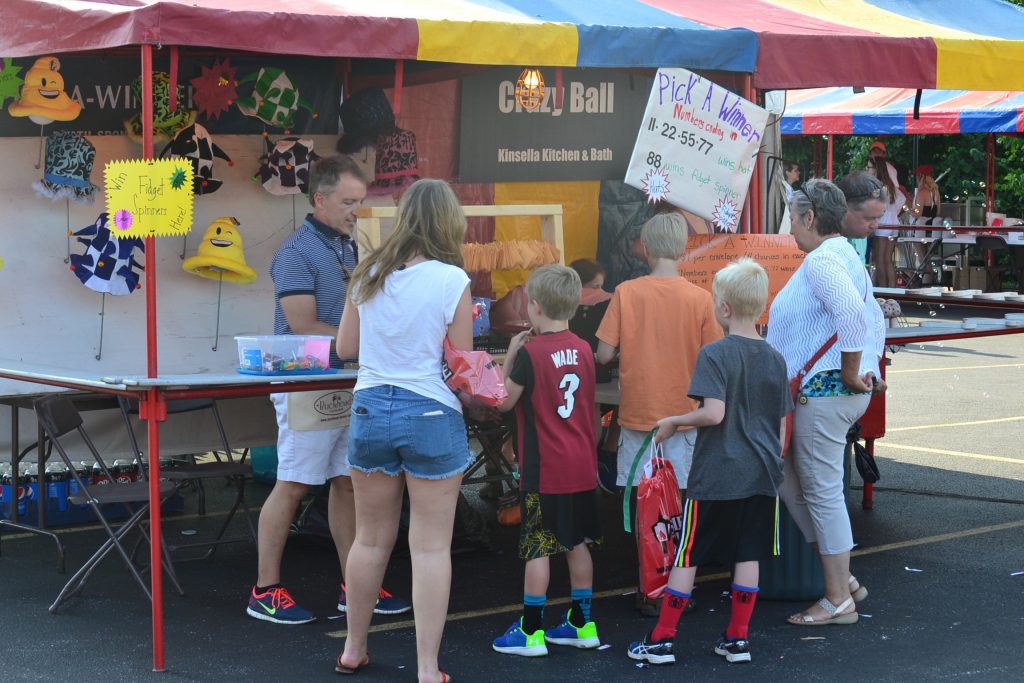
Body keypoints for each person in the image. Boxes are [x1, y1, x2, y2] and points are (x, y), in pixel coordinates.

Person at [248, 155, 409, 625]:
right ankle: (264, 590)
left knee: (345, 481)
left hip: (346, 378)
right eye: (348, 202)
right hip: (305, 380)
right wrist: (366, 344)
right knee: (295, 481)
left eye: (360, 201)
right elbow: (300, 324)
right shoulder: (296, 252)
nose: (356, 210)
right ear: (319, 199)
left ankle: (355, 586)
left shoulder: (349, 245)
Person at [335, 179, 474, 683]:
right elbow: (460, 364)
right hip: (431, 413)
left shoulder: (368, 272)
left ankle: (353, 649)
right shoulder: (451, 279)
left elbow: (345, 348)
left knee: (370, 540)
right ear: (448, 222)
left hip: (370, 409)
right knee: (430, 546)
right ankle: (426, 667)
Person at [627, 257, 791, 666]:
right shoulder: (774, 357)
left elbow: (714, 413)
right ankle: (737, 640)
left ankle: (662, 639)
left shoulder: (714, 355)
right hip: (762, 473)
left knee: (688, 555)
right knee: (747, 554)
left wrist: (675, 422)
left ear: (723, 308)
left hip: (718, 473)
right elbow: (783, 423)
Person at [767, 178, 885, 627]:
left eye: (793, 218)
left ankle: (837, 598)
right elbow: (867, 314)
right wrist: (863, 368)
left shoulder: (822, 261)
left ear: (810, 218)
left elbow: (854, 315)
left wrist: (854, 371)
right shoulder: (841, 256)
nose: (791, 226)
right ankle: (845, 582)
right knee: (794, 485)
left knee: (819, 493)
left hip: (825, 391)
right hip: (825, 391)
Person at [595, 212, 722, 615]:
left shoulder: (626, 292)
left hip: (639, 417)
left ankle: (648, 585)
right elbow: (714, 359)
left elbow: (603, 353)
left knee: (645, 503)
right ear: (684, 248)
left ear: (645, 248)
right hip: (685, 418)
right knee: (681, 502)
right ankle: (678, 586)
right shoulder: (701, 298)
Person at [490, 265, 602, 658]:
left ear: (534, 307)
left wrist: (509, 360)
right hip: (581, 464)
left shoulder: (531, 353)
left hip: (545, 468)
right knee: (577, 543)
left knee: (538, 547)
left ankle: (532, 631)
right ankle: (582, 623)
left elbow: (503, 401)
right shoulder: (585, 348)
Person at [867, 142, 905, 287]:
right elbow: (901, 199)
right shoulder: (890, 183)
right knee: (888, 260)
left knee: (879, 259)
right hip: (893, 222)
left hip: (882, 224)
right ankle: (892, 291)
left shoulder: (878, 186)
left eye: (869, 167)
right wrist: (894, 211)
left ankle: (883, 290)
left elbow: (877, 208)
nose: (867, 170)